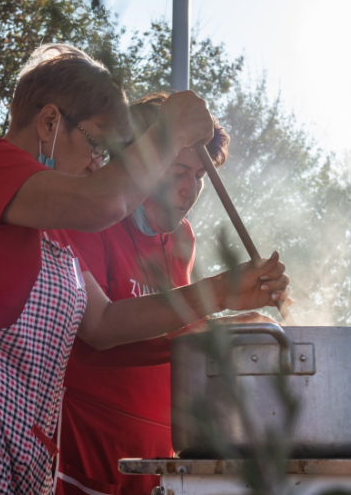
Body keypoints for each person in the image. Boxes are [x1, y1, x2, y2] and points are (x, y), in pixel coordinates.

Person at [0, 45, 289, 495]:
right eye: (96, 145)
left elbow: (104, 324)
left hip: (9, 448)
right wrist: (170, 130)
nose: (100, 164)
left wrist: (223, 295)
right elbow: (104, 202)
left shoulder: (54, 230)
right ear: (48, 123)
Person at [56, 92, 247, 495]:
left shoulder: (184, 238)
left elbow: (178, 326)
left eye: (199, 176)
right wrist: (220, 304)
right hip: (89, 443)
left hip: (160, 453)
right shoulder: (90, 214)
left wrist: (237, 327)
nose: (189, 189)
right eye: (178, 170)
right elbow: (99, 330)